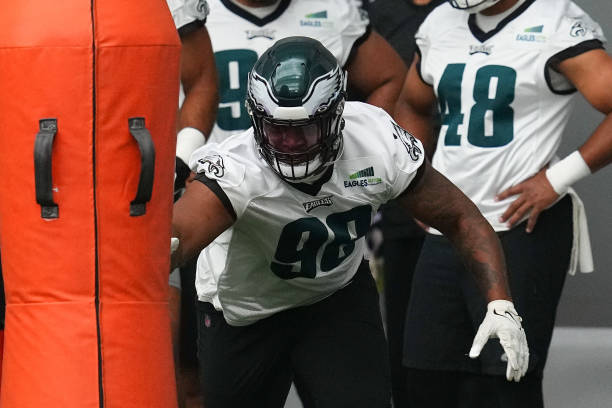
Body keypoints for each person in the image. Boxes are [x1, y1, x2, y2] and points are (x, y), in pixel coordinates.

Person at [171, 36, 528, 408]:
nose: (290, 143)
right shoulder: (239, 168)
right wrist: (158, 247)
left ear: (335, 116)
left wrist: (500, 303)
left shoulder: (375, 143)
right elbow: (182, 235)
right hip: (244, 313)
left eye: (305, 129)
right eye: (278, 129)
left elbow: (458, 216)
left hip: (333, 298)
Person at [394, 0, 612, 406]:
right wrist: (416, 182)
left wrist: (557, 178)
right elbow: (412, 104)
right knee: (426, 378)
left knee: (506, 382)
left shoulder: (554, 18)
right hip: (449, 228)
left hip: (518, 227)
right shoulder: (441, 21)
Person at [362, 0, 446, 406]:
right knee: (407, 332)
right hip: (401, 194)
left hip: (476, 189)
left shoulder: (465, 10)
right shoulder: (372, 12)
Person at [203, 0, 407, 147]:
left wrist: (358, 141)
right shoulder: (192, 13)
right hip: (221, 169)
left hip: (308, 169)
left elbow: (390, 78)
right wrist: (189, 153)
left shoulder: (330, 10)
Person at [165, 1, 218, 407]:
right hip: (42, 190)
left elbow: (200, 78)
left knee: (172, 363)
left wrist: (179, 157)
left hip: (143, 188)